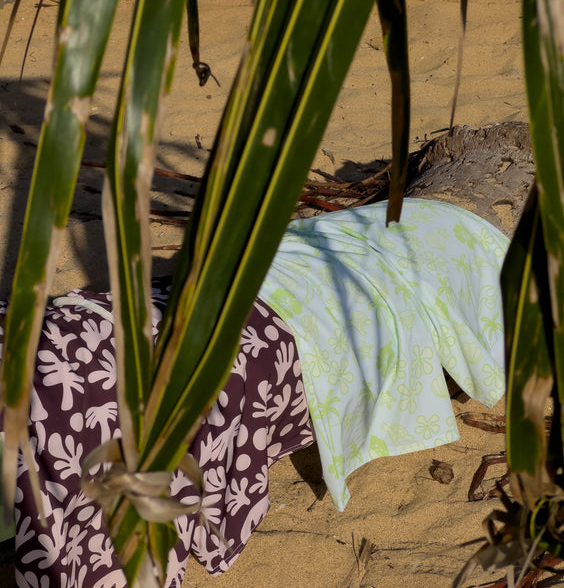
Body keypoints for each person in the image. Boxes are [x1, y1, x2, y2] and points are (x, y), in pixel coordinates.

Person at [0, 197, 508, 587]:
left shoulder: (444, 249)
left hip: (222, 307)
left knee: (86, 374)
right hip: (229, 303)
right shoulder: (444, 248)